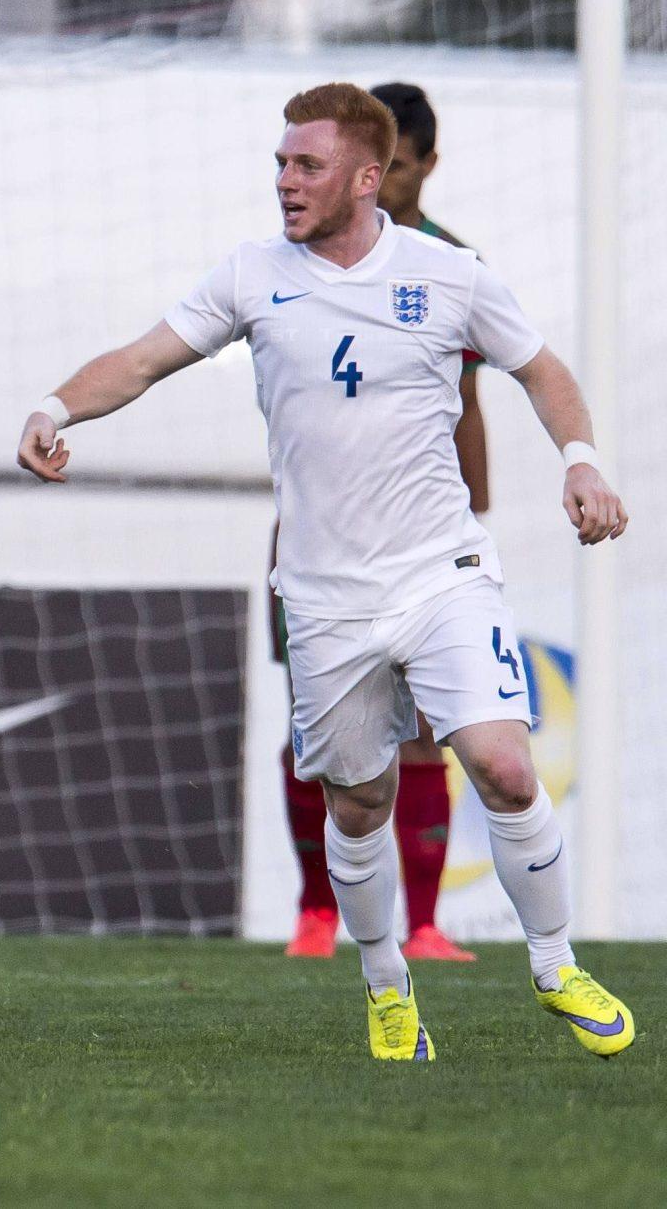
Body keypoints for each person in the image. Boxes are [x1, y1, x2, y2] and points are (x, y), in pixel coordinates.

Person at [17, 82, 634, 1061]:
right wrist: (54, 408)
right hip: (323, 596)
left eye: (306, 164)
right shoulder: (252, 275)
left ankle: (556, 965)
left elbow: (542, 370)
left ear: (365, 176)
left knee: (506, 766)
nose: (285, 180)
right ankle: (387, 986)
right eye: (280, 163)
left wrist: (582, 461)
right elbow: (140, 360)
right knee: (357, 801)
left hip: (441, 571)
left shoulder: (448, 272)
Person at [281, 80, 485, 963]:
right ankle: (315, 913)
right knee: (315, 728)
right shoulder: (291, 261)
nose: (382, 182)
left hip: (422, 540)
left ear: (422, 167)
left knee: (433, 726)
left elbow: (470, 400)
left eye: (398, 168)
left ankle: (426, 923)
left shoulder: (449, 264)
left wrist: (474, 511)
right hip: (317, 540)